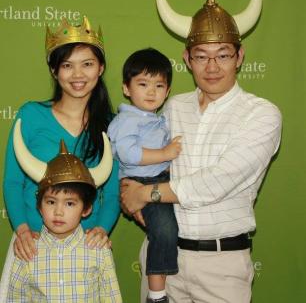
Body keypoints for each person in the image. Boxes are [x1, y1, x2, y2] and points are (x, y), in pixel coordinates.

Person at [121, 0, 282, 303]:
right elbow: (137, 156)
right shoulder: (169, 109)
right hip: (161, 261)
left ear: (240, 56)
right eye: (201, 56)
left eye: (222, 54)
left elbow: (218, 181)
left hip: (222, 267)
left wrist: (146, 195)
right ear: (186, 59)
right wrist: (128, 191)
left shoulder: (262, 114)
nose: (212, 66)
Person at [0, 16, 120, 300]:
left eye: (87, 64)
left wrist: (101, 228)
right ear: (55, 71)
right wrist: (22, 230)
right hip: (32, 248)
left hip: (86, 255)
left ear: (100, 68)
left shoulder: (112, 125)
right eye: (67, 65)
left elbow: (112, 193)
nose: (78, 74)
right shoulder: (30, 115)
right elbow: (12, 182)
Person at [7, 119, 122, 302]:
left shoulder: (99, 251)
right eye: (51, 202)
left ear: (86, 209)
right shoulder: (26, 252)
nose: (58, 212)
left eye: (69, 204)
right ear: (39, 206)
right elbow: (16, 298)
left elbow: (111, 297)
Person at [107, 48, 181, 303]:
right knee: (165, 230)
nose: (151, 91)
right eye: (143, 84)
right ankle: (157, 294)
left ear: (168, 91)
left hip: (161, 179)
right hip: (143, 183)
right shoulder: (128, 120)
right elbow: (129, 154)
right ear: (126, 88)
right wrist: (165, 152)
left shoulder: (157, 118)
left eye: (159, 85)